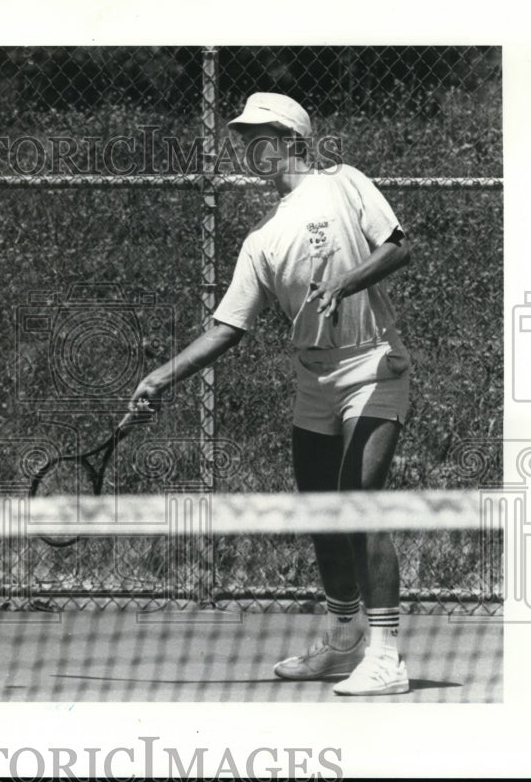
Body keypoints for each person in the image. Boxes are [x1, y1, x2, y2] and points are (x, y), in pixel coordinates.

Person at [128, 92, 413, 696]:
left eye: (259, 132)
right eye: (242, 135)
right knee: (320, 512)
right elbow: (226, 329)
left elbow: (398, 245)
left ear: (292, 139)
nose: (246, 144)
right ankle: (344, 641)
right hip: (314, 384)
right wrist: (161, 376)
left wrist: (346, 280)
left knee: (360, 502)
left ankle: (387, 653)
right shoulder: (261, 238)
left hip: (374, 367)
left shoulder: (344, 183)